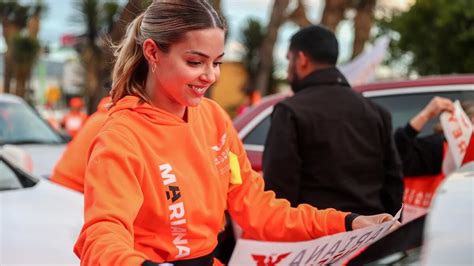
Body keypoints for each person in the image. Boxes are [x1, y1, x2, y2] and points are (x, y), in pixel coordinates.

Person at [73, 3, 397, 265]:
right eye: (195, 61)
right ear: (153, 53)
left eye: (217, 62)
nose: (210, 76)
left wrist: (347, 223)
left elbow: (256, 207)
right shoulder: (122, 135)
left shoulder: (213, 119)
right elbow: (103, 236)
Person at [263, 25, 403, 216]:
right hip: (370, 236)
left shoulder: (290, 111)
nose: (288, 71)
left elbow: (280, 194)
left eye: (289, 60)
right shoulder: (376, 112)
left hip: (314, 239)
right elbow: (393, 183)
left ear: (302, 59)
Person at [49, 96, 111, 192]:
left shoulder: (90, 117)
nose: (76, 107)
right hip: (77, 188)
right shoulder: (69, 116)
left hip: (66, 179)